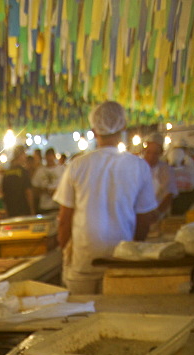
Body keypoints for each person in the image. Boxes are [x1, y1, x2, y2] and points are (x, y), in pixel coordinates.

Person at [53, 100, 157, 294]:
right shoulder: (139, 166)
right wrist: (133, 250)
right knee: (116, 318)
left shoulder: (77, 166)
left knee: (80, 318)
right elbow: (144, 219)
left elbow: (64, 220)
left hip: (83, 260)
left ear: (93, 131)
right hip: (121, 260)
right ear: (124, 126)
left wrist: (66, 252)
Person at [142, 133, 178, 218]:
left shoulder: (165, 170)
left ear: (160, 153)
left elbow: (169, 194)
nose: (151, 157)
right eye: (148, 152)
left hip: (157, 214)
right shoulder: (138, 167)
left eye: (155, 153)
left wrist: (157, 213)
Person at [2, 146, 35, 217]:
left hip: (11, 211)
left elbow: (4, 193)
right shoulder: (24, 172)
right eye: (24, 154)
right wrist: (32, 209)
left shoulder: (6, 173)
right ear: (20, 155)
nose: (25, 157)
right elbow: (28, 192)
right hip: (23, 210)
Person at [32, 148, 63, 213]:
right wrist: (44, 190)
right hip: (45, 206)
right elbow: (34, 187)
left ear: (54, 156)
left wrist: (57, 190)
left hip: (58, 205)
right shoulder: (40, 171)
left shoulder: (62, 169)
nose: (49, 158)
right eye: (48, 156)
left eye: (51, 156)